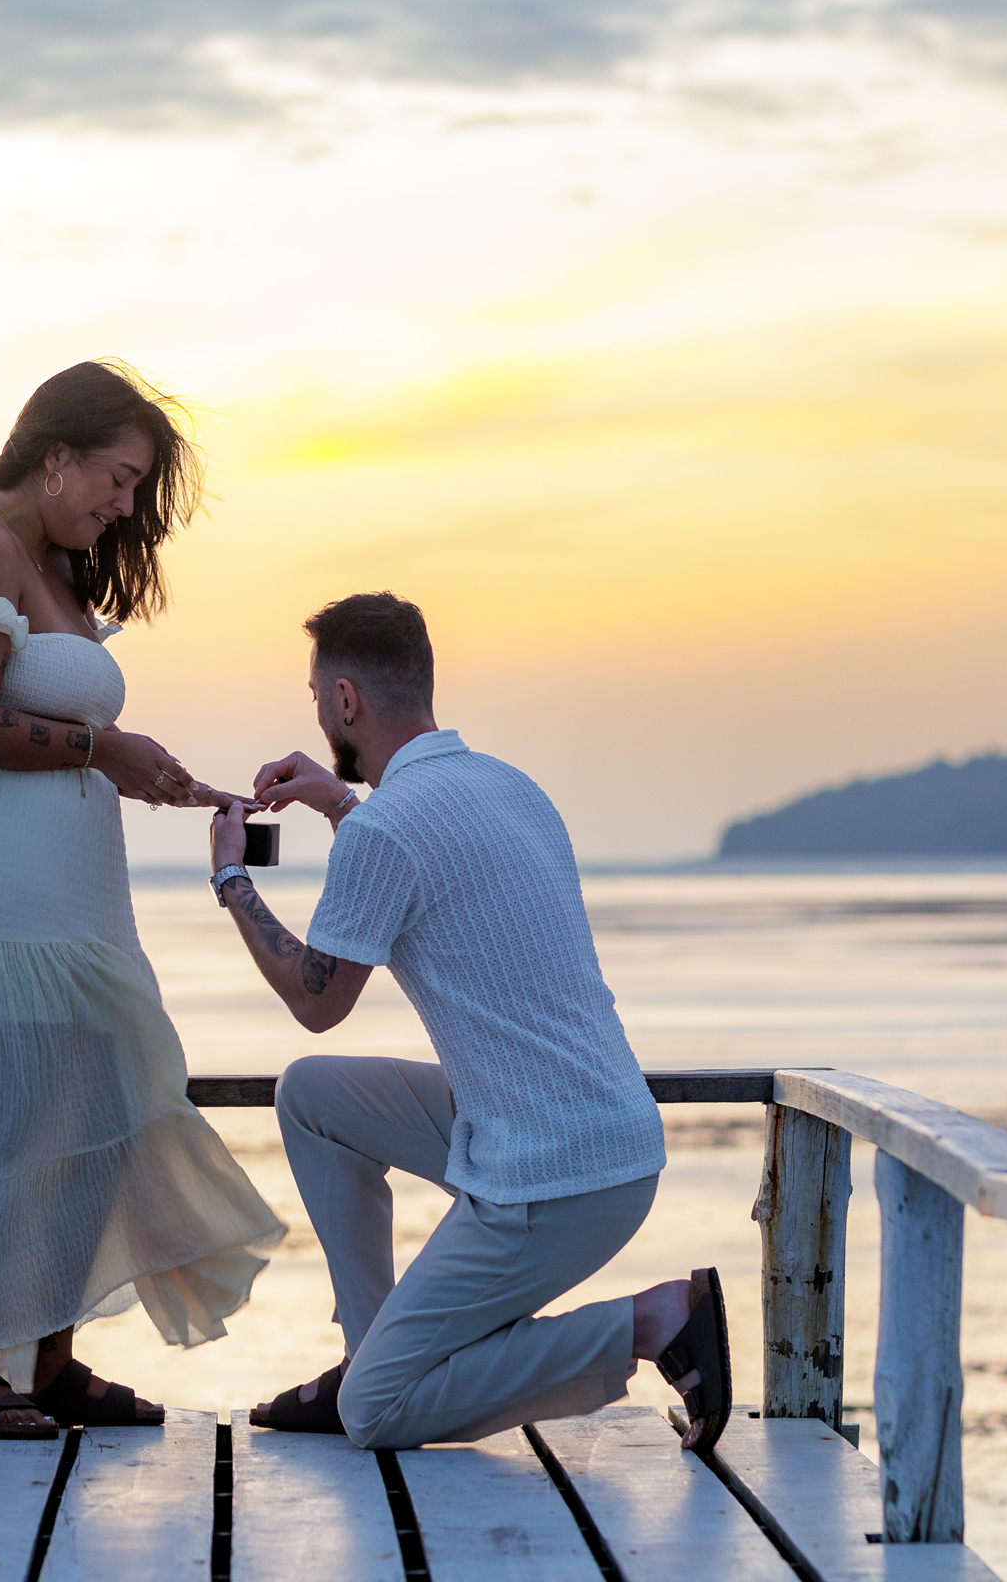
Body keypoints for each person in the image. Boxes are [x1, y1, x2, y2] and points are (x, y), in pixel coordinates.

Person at [207, 592, 732, 1452]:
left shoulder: (386, 830)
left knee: (376, 1412)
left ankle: (651, 1322)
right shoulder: (508, 787)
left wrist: (232, 879)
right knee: (312, 1098)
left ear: (345, 699)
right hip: (599, 1133)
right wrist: (340, 804)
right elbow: (422, 856)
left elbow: (316, 1002)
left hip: (554, 1176)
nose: (319, 715)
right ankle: (370, 1349)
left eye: (317, 697)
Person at [0, 361, 284, 1439]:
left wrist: (150, 772)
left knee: (93, 1105)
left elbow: (64, 732)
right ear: (55, 454)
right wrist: (105, 748)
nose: (124, 503)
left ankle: (48, 1360)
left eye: (136, 486)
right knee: (5, 1116)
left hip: (75, 890)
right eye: (118, 477)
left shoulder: (53, 565)